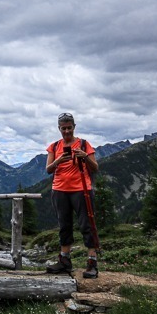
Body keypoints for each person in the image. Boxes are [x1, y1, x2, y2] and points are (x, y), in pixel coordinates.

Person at [45, 112, 100, 279]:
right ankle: (65, 261)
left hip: (81, 189)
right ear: (59, 129)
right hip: (60, 190)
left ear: (74, 127)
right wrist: (59, 160)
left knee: (87, 224)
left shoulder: (84, 144)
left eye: (69, 128)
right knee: (64, 225)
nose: (67, 131)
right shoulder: (54, 147)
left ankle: (92, 262)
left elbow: (95, 168)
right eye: (63, 128)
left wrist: (84, 158)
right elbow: (48, 169)